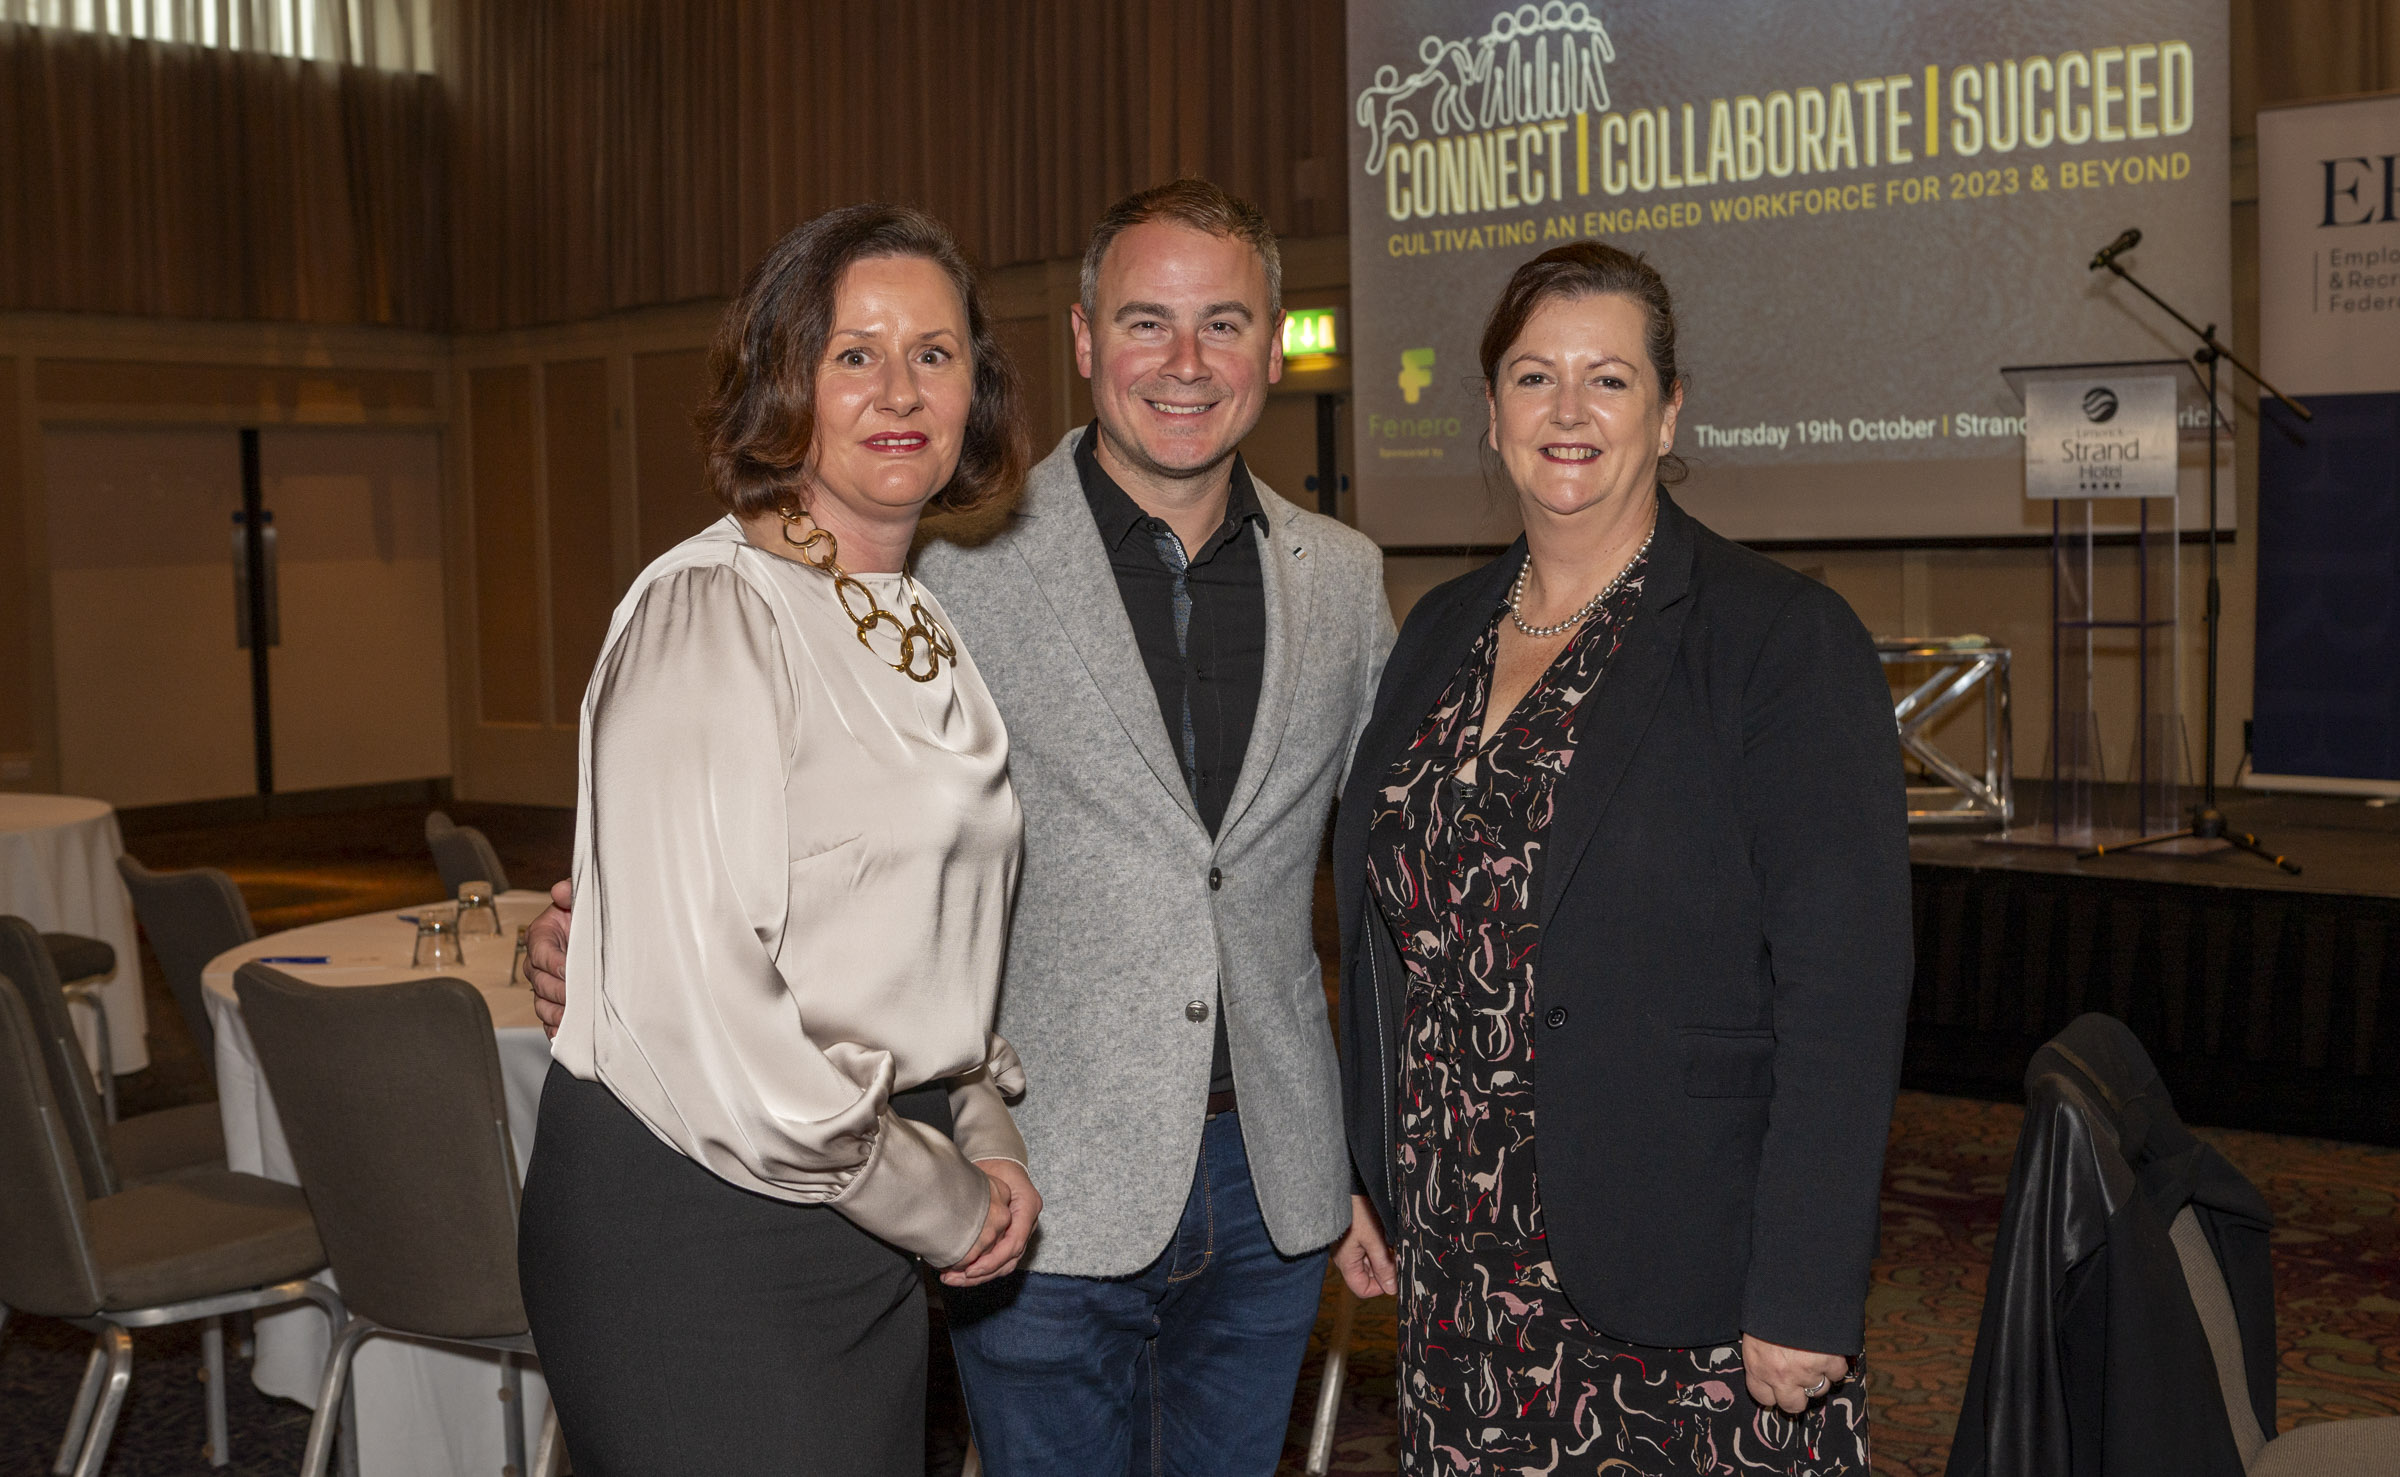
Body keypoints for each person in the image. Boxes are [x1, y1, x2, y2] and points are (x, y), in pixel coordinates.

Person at [529, 178, 1397, 1475]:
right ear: (1084, 339)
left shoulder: (1340, 579)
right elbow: (709, 877)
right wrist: (603, 939)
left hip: (1246, 1168)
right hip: (1019, 1181)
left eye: (1223, 323)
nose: (1185, 361)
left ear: (1274, 346)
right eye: (1145, 321)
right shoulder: (935, 562)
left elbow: (1395, 876)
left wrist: (1369, 1154)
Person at [1332, 242, 1912, 1475]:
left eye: (1609, 379)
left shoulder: (1778, 638)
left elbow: (1846, 992)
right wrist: (1366, 1166)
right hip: (1458, 1262)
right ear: (1493, 411)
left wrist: (1806, 1283)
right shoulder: (1438, 629)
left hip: (1684, 1274)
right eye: (1534, 377)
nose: (1569, 411)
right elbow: (1394, 941)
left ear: (1669, 411)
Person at [515, 204, 1040, 1477]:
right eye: (853, 353)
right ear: (782, 381)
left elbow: (911, 945)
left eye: (934, 353)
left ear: (975, 390)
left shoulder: (908, 619)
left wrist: (984, 1126)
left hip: (854, 1192)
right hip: (702, 1225)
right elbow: (707, 1010)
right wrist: (943, 1198)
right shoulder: (713, 611)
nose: (900, 389)